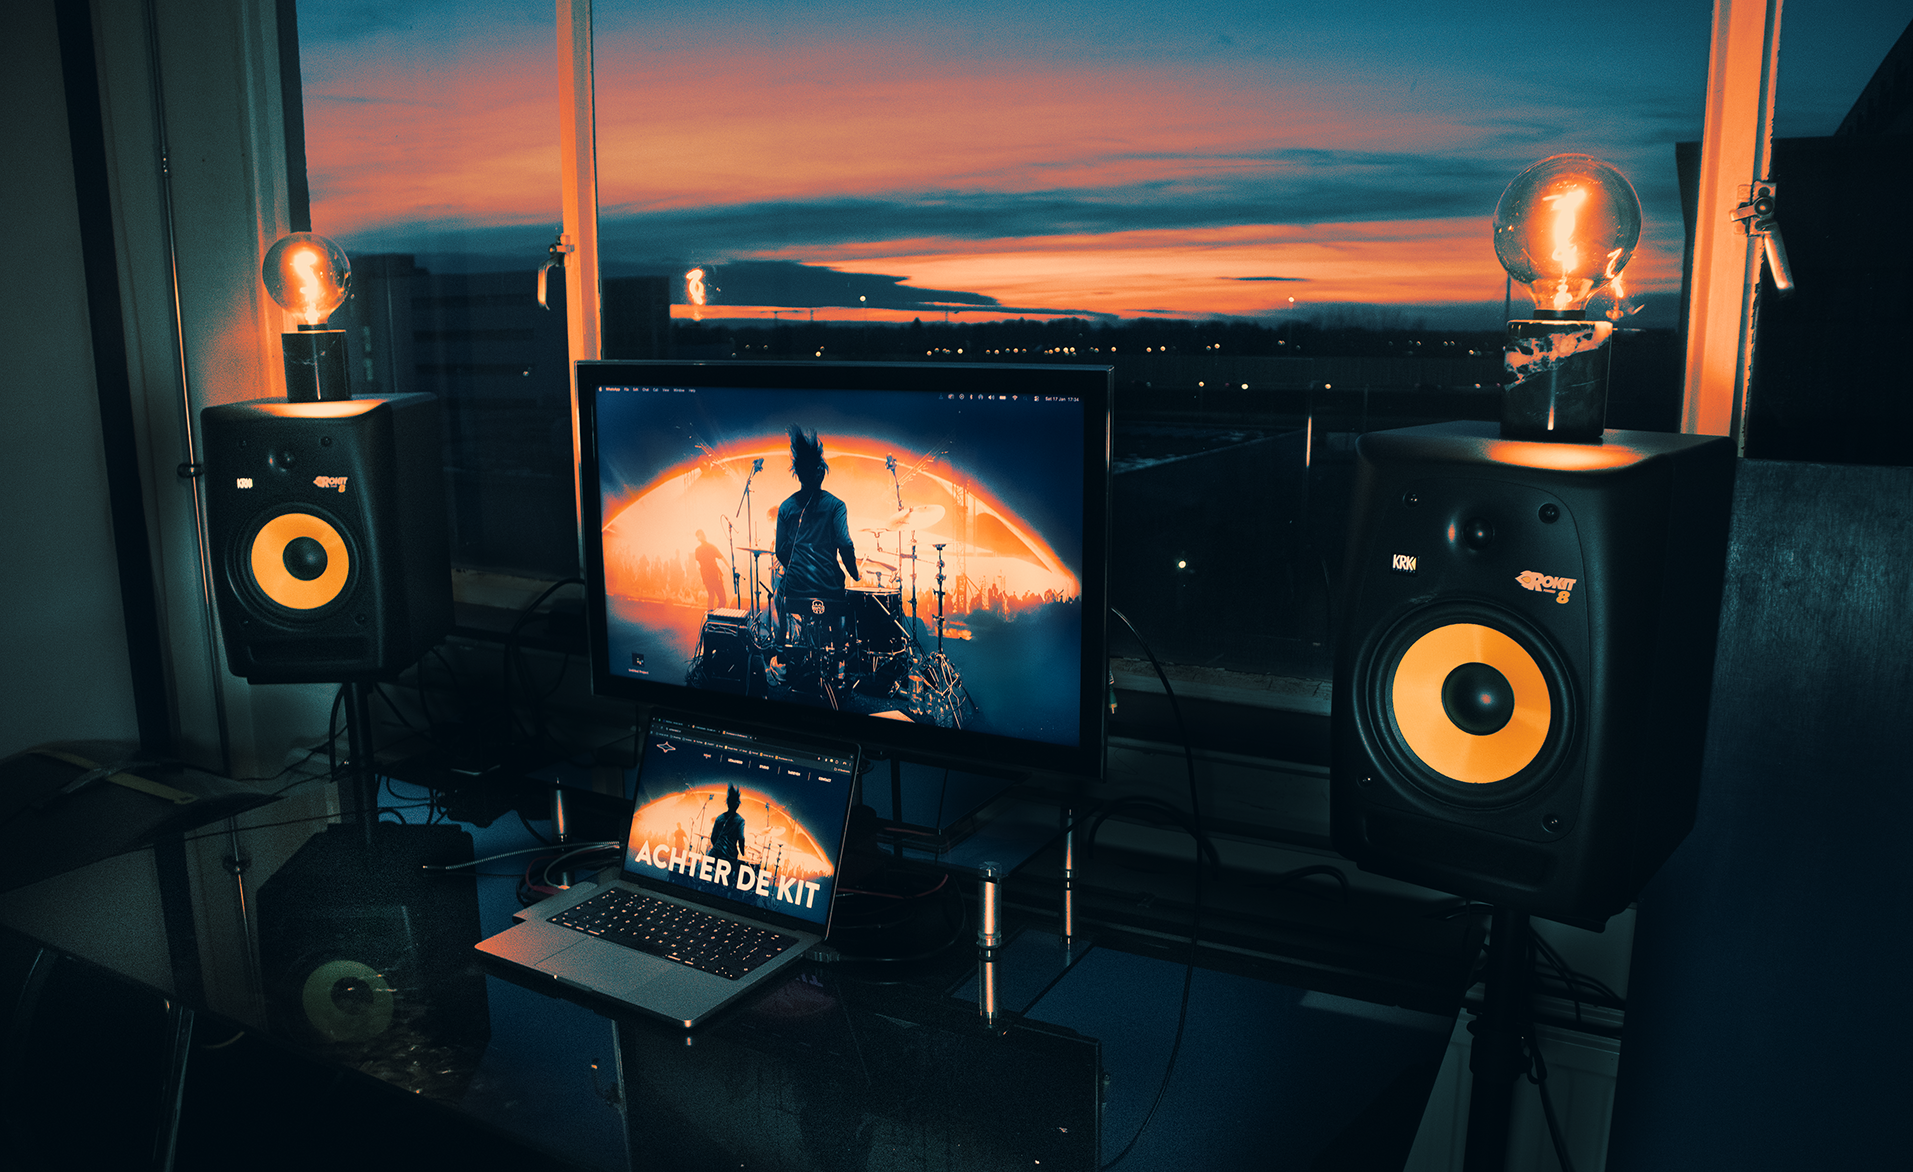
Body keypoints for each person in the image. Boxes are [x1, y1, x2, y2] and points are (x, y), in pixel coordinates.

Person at [775, 426, 859, 603]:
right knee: (839, 615)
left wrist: (797, 569)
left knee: (776, 601)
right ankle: (838, 631)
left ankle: (781, 632)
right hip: (830, 587)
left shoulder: (785, 507)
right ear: (820, 471)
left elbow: (780, 551)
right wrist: (854, 573)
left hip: (795, 587)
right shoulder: (837, 506)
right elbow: (844, 542)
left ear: (797, 473)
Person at [708, 785, 745, 861]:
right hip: (729, 857)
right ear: (738, 804)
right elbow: (741, 838)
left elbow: (713, 837)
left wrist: (719, 849)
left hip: (716, 854)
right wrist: (743, 853)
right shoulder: (740, 821)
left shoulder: (719, 818)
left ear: (727, 803)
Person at [692, 529, 727, 609]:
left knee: (711, 596)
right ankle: (715, 615)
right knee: (722, 600)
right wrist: (729, 568)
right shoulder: (711, 547)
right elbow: (722, 558)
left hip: (706, 577)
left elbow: (699, 564)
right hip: (714, 576)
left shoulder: (698, 550)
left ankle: (711, 615)